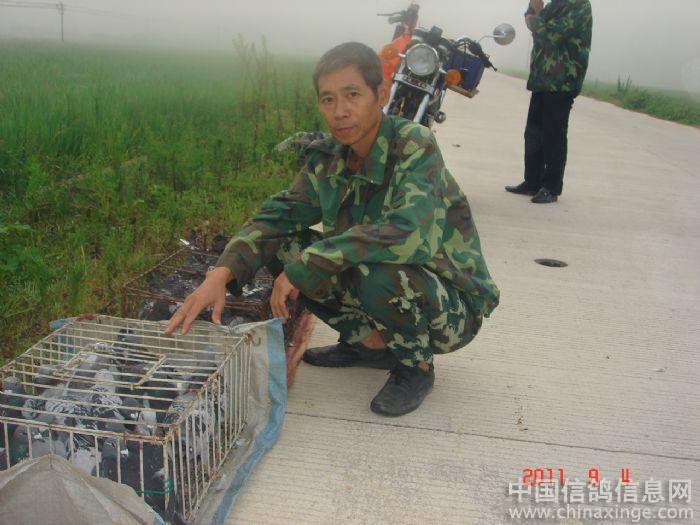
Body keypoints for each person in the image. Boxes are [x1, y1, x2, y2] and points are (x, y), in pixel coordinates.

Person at [165, 42, 499, 417]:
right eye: (328, 99)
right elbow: (275, 218)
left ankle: (415, 367)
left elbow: (409, 236)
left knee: (370, 272)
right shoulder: (329, 157)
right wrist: (220, 274)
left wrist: (311, 262)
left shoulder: (413, 145)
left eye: (352, 95)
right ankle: (368, 345)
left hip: (451, 306)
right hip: (393, 279)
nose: (339, 111)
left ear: (381, 94)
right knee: (284, 247)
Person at [505, 0, 593, 203]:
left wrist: (536, 15)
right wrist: (534, 13)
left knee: (553, 135)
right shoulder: (555, 5)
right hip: (543, 79)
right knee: (533, 133)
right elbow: (533, 21)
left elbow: (550, 36)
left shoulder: (578, 5)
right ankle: (532, 182)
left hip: (563, 81)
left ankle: (551, 188)